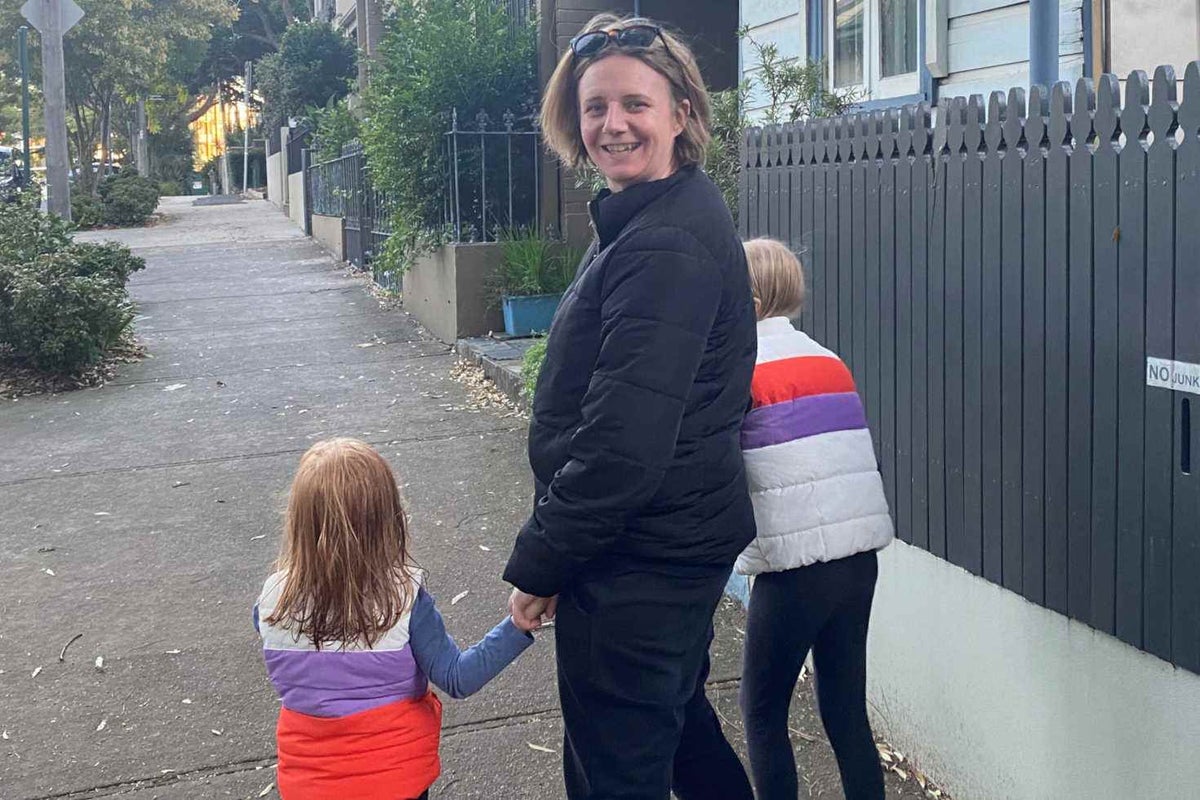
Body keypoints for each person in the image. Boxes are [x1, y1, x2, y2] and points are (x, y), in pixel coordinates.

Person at [502, 14, 757, 800]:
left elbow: (622, 442)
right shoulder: (646, 215)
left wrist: (542, 560)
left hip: (636, 559)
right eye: (595, 106)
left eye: (635, 105)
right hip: (663, 545)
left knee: (617, 769)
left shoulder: (664, 242)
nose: (612, 124)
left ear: (681, 113)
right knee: (675, 729)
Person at [253, 438, 536, 800]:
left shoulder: (273, 600)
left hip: (310, 782)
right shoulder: (403, 599)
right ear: (388, 519)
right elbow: (458, 678)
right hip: (396, 779)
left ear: (299, 521)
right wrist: (515, 628)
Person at [735, 238, 894, 800]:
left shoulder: (739, 369)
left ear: (745, 295)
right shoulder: (830, 361)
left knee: (761, 711)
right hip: (858, 563)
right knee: (846, 711)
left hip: (792, 569)